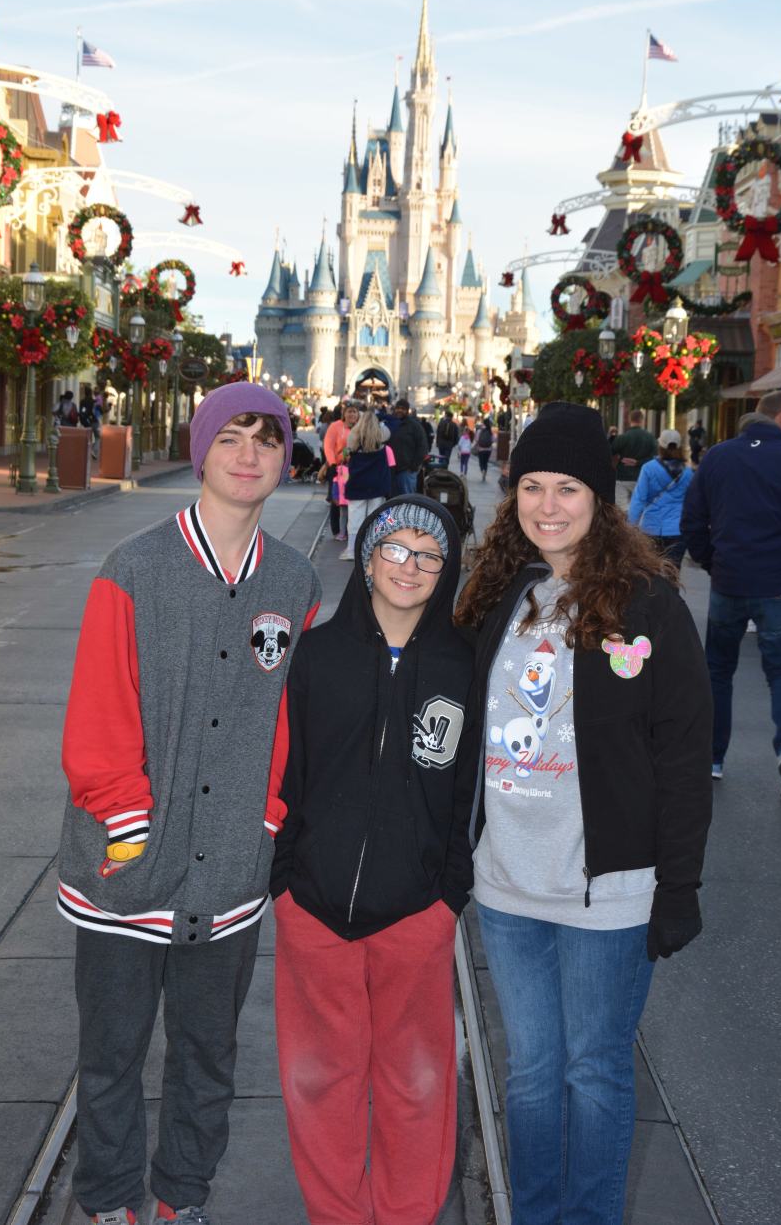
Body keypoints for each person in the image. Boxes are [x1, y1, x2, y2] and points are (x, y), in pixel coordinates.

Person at [57, 382, 321, 1225]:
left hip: (229, 870)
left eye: (267, 440)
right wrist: (127, 825)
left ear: (286, 459)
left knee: (208, 1054)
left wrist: (268, 817)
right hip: (127, 866)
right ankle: (108, 1202)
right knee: (112, 1056)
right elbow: (99, 715)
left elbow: (292, 723)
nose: (249, 456)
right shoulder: (134, 568)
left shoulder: (295, 579)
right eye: (231, 437)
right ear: (202, 451)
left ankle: (182, 1198)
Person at [455, 402, 712, 1225]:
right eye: (532, 485)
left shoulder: (648, 605)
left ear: (600, 499)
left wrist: (679, 886)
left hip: (611, 894)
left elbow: (683, 756)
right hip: (507, 888)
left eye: (567, 487)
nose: (548, 504)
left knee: (593, 1072)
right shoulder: (499, 593)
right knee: (533, 1073)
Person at [270, 498, 477, 1225]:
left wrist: (448, 897)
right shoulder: (316, 657)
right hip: (313, 910)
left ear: (447, 570)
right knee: (318, 1078)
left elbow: (469, 794)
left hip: (417, 914)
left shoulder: (463, 665)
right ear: (366, 558)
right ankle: (337, 1215)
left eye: (429, 555)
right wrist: (284, 884)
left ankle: (406, 1213)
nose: (409, 567)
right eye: (394, 549)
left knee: (416, 1082)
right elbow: (287, 774)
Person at [681, 389, 781, 795]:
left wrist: (711, 561)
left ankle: (713, 757)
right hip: (779, 583)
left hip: (729, 581)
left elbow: (692, 519)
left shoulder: (718, 457)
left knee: (718, 671)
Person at [627, 428, 693, 569]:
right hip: (677, 529)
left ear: (660, 446)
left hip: (651, 527)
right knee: (672, 572)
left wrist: (631, 526)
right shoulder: (688, 473)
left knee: (652, 571)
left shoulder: (648, 468)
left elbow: (639, 499)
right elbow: (691, 502)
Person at [342, 408, 392, 560]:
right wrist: (380, 421)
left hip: (357, 483)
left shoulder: (354, 437)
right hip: (377, 484)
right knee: (375, 517)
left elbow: (348, 450)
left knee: (355, 517)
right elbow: (389, 429)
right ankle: (372, 550)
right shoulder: (381, 436)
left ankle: (351, 549)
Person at [323, 401, 360, 538]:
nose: (352, 414)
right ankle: (337, 530)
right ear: (344, 413)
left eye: (354, 412)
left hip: (355, 468)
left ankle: (351, 530)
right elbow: (328, 446)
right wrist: (332, 464)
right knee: (336, 499)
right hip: (337, 468)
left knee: (353, 500)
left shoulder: (360, 427)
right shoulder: (335, 426)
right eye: (349, 411)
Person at [610, 408, 656, 504]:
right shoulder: (650, 438)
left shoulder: (622, 438)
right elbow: (655, 458)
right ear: (642, 420)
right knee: (640, 506)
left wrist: (611, 437)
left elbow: (609, 452)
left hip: (622, 477)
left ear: (629, 420)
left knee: (621, 507)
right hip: (642, 477)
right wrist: (638, 462)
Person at [390, 396, 429, 494]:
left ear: (407, 411)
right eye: (398, 408)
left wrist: (413, 466)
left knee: (407, 498)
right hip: (391, 471)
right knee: (393, 499)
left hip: (407, 471)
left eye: (403, 409)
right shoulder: (390, 423)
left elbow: (423, 447)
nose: (399, 410)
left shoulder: (415, 426)